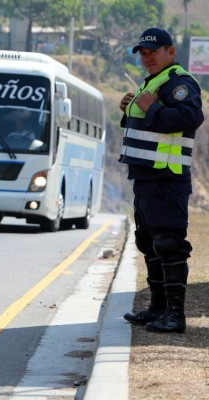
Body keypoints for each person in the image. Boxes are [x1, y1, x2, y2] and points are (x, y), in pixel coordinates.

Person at [119, 28, 204, 333]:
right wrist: (130, 108)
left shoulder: (179, 82)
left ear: (171, 52)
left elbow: (189, 117)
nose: (147, 58)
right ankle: (157, 308)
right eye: (142, 53)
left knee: (168, 244)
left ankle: (175, 315)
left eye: (152, 52)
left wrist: (149, 107)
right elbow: (150, 123)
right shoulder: (156, 82)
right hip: (147, 176)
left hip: (166, 177)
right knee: (148, 242)